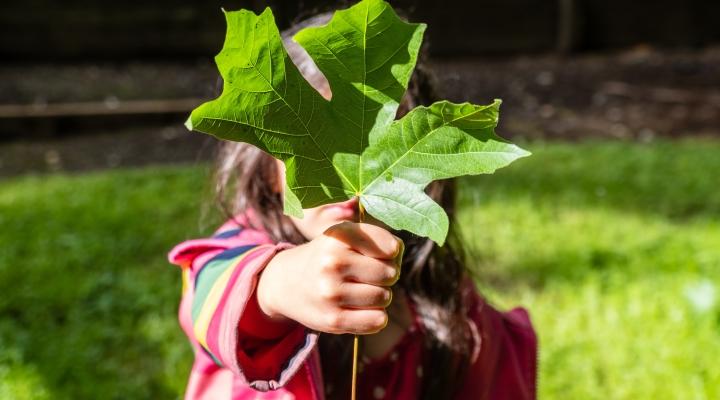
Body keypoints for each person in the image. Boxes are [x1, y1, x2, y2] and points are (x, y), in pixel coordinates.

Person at [168, 10, 537, 400]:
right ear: (267, 167)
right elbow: (211, 297)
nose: (347, 181)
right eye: (317, 150)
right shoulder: (239, 250)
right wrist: (277, 286)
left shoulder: (446, 301)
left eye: (377, 148)